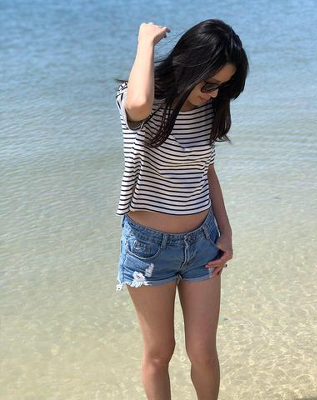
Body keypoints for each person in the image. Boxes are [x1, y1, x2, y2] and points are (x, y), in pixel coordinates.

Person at [114, 19, 248, 400]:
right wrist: (146, 42)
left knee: (203, 352)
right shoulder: (140, 99)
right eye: (209, 83)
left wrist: (226, 232)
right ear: (191, 64)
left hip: (203, 243)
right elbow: (138, 104)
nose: (214, 93)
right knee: (160, 352)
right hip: (148, 249)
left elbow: (207, 171)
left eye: (222, 86)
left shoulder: (209, 109)